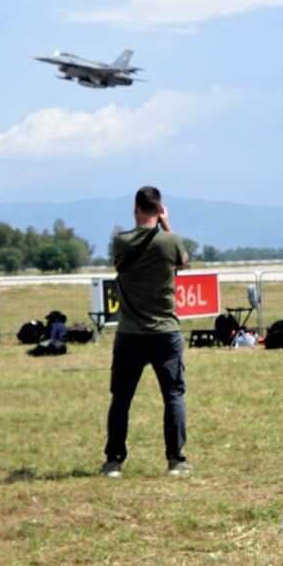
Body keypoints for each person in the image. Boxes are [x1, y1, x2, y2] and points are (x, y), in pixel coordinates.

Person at [103, 185, 191, 479]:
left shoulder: (121, 241)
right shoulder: (170, 241)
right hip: (165, 331)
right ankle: (176, 460)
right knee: (173, 396)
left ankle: (114, 461)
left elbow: (119, 265)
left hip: (130, 332)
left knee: (121, 398)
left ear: (136, 209)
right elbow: (184, 263)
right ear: (160, 209)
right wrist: (166, 224)